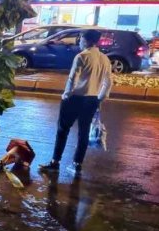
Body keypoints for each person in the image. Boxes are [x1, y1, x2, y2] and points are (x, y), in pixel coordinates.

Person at [40, 29, 112, 174]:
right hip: (92, 99)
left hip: (76, 98)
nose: (79, 42)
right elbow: (108, 81)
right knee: (83, 132)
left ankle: (55, 162)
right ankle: (77, 164)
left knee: (63, 130)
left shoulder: (81, 56)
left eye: (81, 39)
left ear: (88, 41)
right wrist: (101, 97)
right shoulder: (105, 59)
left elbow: (73, 79)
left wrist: (66, 95)